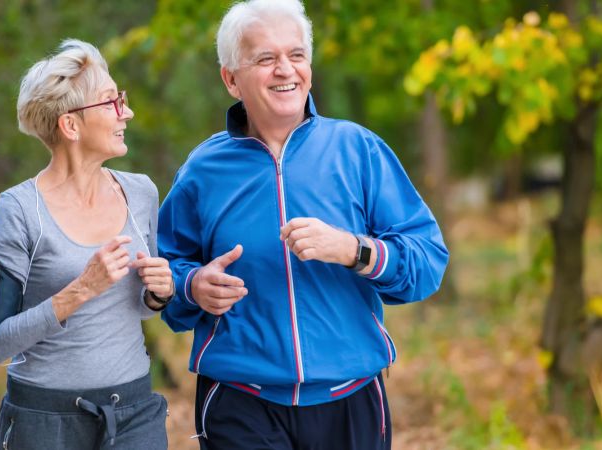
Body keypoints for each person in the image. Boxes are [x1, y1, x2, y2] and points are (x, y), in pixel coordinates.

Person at [157, 1, 450, 449]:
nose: (285, 70)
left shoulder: (357, 150)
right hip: (240, 400)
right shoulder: (202, 170)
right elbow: (165, 271)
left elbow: (427, 261)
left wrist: (355, 250)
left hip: (351, 396)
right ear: (231, 79)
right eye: (265, 58)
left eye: (296, 55)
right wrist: (193, 285)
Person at [0, 39, 171, 449]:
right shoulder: (19, 209)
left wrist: (158, 295)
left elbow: (135, 307)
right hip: (44, 421)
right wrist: (80, 289)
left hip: (134, 413)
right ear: (71, 125)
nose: (127, 113)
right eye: (111, 103)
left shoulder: (141, 193)